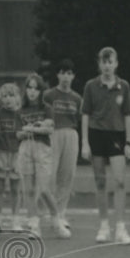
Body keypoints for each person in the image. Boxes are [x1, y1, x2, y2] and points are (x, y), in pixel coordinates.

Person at [81, 46, 130, 244]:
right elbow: (85, 114)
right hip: (96, 134)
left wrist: (128, 142)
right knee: (100, 181)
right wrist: (85, 142)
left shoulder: (124, 86)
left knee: (120, 181)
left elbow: (127, 115)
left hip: (117, 135)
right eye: (103, 62)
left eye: (110, 62)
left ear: (116, 64)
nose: (107, 66)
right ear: (99, 64)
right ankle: (104, 225)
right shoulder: (91, 86)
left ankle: (121, 227)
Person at [18, 73, 68, 238]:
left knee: (44, 188)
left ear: (41, 91)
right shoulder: (21, 109)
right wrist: (28, 130)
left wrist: (32, 128)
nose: (32, 91)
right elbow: (18, 133)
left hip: (43, 149)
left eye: (36, 88)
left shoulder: (46, 108)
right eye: (29, 88)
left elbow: (49, 129)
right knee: (29, 190)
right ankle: (34, 224)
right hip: (26, 148)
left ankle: (56, 219)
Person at [42, 59, 81, 238]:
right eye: (62, 73)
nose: (66, 77)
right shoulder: (49, 95)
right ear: (58, 75)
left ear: (73, 76)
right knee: (49, 175)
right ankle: (52, 212)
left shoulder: (77, 98)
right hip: (53, 133)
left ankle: (61, 213)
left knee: (67, 175)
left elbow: (79, 119)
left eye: (69, 73)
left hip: (70, 134)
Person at [0, 82, 24, 230]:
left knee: (16, 188)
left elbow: (24, 139)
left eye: (11, 95)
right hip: (0, 153)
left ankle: (15, 219)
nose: (8, 99)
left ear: (17, 98)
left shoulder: (21, 115)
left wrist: (19, 159)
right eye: (5, 96)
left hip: (17, 154)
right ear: (0, 98)